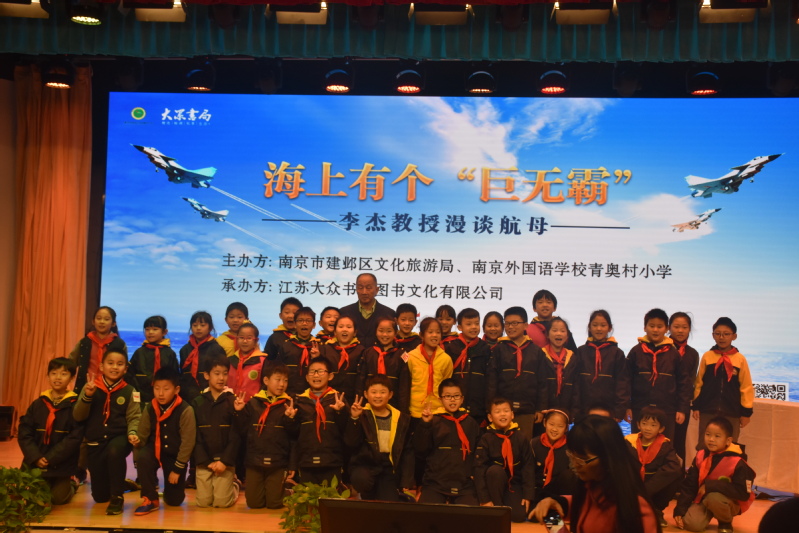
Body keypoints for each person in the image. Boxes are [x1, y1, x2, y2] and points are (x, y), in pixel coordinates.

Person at [531, 415, 660, 533]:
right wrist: (552, 513)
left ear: (608, 458)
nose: (575, 464)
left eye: (582, 459)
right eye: (572, 456)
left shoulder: (635, 510)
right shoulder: (590, 490)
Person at [73, 350, 141, 515]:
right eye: (110, 363)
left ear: (125, 369)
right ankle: (121, 484)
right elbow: (78, 416)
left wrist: (132, 432)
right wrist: (87, 396)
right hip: (95, 440)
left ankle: (117, 497)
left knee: (115, 451)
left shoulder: (131, 391)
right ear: (102, 366)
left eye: (120, 364)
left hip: (119, 437)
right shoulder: (91, 387)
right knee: (100, 497)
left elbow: (135, 417)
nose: (115, 367)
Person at [18, 357, 84, 505]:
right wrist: (35, 457)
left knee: (58, 499)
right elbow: (24, 432)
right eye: (54, 373)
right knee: (34, 497)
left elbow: (75, 437)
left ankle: (72, 483)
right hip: (36, 461)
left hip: (62, 464)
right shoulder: (37, 404)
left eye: (63, 374)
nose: (58, 377)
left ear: (72, 378)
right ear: (47, 376)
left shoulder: (75, 405)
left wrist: (50, 458)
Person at [674, 417, 755, 533]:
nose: (711, 439)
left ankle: (725, 521)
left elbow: (743, 493)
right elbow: (689, 485)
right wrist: (680, 510)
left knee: (714, 498)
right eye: (708, 434)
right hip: (704, 499)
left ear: (728, 440)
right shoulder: (700, 455)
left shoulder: (738, 462)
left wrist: (710, 486)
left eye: (717, 436)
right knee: (691, 525)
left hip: (727, 502)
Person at [234, 362, 298, 509]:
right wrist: (239, 412)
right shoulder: (253, 403)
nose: (282, 384)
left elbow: (294, 437)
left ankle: (287, 490)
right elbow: (242, 431)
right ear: (266, 380)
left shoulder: (290, 404)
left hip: (278, 461)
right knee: (254, 503)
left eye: (285, 380)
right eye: (278, 379)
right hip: (254, 460)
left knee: (274, 504)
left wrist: (290, 419)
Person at [132, 367, 196, 515]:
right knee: (143, 457)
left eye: (166, 389)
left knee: (174, 501)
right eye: (157, 388)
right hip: (154, 450)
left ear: (176, 389)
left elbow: (188, 443)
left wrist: (178, 469)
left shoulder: (185, 410)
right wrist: (137, 440)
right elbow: (142, 435)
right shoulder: (150, 407)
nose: (160, 393)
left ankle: (169, 491)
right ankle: (150, 498)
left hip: (174, 455)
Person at [344, 375, 414, 501]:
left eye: (382, 392)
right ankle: (363, 495)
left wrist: (406, 481)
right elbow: (351, 443)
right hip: (365, 464)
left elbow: (407, 451)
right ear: (366, 394)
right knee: (362, 481)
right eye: (374, 392)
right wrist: (354, 418)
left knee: (389, 503)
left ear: (390, 395)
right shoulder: (361, 414)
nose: (378, 396)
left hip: (388, 467)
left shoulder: (401, 419)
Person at [627, 308, 692, 440]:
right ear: (645, 328)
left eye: (659, 326)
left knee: (664, 446)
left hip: (667, 410)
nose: (655, 330)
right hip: (640, 409)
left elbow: (683, 383)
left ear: (666, 328)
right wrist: (627, 407)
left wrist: (681, 409)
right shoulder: (635, 352)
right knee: (637, 444)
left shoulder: (674, 354)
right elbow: (626, 381)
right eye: (652, 326)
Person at [414, 378, 480, 505]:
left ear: (462, 399)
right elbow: (420, 450)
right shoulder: (433, 420)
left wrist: (472, 474)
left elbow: (477, 452)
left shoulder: (471, 423)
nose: (452, 399)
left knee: (471, 515)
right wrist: (425, 424)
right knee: (425, 512)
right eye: (447, 396)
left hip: (464, 485)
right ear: (440, 399)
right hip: (436, 483)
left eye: (456, 396)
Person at [691, 317, 753, 444]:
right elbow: (699, 383)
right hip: (708, 410)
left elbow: (746, 387)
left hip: (732, 411)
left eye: (726, 334)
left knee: (730, 445)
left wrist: (746, 413)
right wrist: (696, 406)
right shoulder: (707, 357)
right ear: (713, 335)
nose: (721, 337)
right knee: (705, 444)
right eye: (718, 334)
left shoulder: (740, 359)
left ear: (734, 336)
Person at [487, 306, 545, 441]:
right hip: (502, 410)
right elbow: (492, 381)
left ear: (525, 325)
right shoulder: (499, 349)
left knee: (524, 445)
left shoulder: (536, 351)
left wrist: (540, 409)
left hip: (527, 410)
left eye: (515, 323)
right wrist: (490, 407)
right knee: (500, 444)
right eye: (507, 323)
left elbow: (543, 383)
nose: (510, 327)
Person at [474, 398, 534, 523]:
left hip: (514, 483)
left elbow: (528, 467)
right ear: (490, 417)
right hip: (493, 484)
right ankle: (497, 508)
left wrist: (527, 495)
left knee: (519, 516)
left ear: (512, 414)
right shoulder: (486, 438)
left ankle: (505, 504)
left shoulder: (521, 437)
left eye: (506, 411)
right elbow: (479, 469)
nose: (502, 414)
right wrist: (484, 499)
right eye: (498, 412)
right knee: (494, 471)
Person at [192, 357, 241, 508]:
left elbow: (237, 435)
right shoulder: (197, 402)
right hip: (204, 461)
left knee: (221, 502)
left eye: (225, 373)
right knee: (203, 502)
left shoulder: (233, 401)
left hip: (225, 462)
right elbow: (195, 436)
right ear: (207, 375)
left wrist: (224, 461)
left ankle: (234, 484)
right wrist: (206, 462)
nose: (221, 378)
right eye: (217, 373)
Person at [293, 357, 349, 485]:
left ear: (330, 376)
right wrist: (290, 419)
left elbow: (347, 430)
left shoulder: (338, 399)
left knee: (331, 496)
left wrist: (340, 412)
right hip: (306, 460)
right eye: (312, 371)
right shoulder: (299, 401)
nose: (316, 375)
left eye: (321, 371)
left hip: (332, 460)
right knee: (307, 496)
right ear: (307, 377)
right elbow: (293, 434)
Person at [625, 407, 683, 528]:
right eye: (644, 423)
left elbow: (673, 467)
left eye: (653, 425)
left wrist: (647, 489)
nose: (648, 428)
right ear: (638, 424)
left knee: (674, 477)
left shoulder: (665, 445)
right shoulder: (629, 442)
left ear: (661, 429)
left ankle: (656, 511)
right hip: (633, 484)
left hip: (653, 487)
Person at [573, 310, 629, 422]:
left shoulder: (617, 353)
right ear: (589, 327)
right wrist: (575, 411)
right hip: (584, 410)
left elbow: (622, 385)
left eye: (603, 325)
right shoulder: (581, 351)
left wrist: (619, 412)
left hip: (609, 410)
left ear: (609, 328)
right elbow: (575, 383)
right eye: (595, 325)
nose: (599, 329)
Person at [443, 307, 492, 424]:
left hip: (478, 407)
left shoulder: (485, 348)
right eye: (469, 324)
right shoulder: (451, 347)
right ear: (460, 327)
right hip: (454, 405)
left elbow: (489, 380)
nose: (474, 327)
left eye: (476, 323)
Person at [70, 306, 128, 394]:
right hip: (86, 386)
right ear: (93, 321)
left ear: (113, 323)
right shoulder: (85, 342)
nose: (102, 322)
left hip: (111, 389)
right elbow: (71, 362)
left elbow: (123, 368)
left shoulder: (119, 344)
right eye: (99, 318)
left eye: (106, 319)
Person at [359, 316, 410, 412]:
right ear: (375, 332)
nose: (385, 334)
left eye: (389, 331)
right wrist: (360, 405)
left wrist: (403, 411)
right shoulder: (368, 353)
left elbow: (404, 385)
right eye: (381, 331)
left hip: (394, 405)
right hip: (369, 404)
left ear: (395, 333)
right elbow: (361, 380)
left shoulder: (402, 354)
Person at [406, 317, 453, 420]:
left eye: (438, 332)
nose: (434, 335)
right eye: (430, 332)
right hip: (414, 410)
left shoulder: (446, 359)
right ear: (421, 335)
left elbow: (447, 386)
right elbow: (405, 384)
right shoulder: (411, 357)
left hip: (438, 411)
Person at [126, 315, 179, 405]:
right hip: (141, 396)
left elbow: (175, 376)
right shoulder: (139, 352)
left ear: (164, 332)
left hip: (164, 397)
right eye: (147, 329)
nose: (150, 332)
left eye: (155, 329)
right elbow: (129, 375)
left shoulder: (170, 353)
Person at [669, 311, 700, 460]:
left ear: (689, 329)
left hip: (682, 406)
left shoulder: (692, 354)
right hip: (663, 404)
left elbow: (691, 381)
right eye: (676, 327)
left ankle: (678, 473)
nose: (680, 331)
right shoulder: (662, 349)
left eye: (684, 327)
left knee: (679, 443)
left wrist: (684, 406)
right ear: (669, 328)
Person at [531, 409, 578, 506]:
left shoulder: (570, 446)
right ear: (545, 423)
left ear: (566, 428)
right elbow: (527, 470)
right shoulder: (534, 443)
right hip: (536, 488)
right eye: (551, 424)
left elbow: (574, 473)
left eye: (560, 426)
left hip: (558, 491)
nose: (555, 429)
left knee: (569, 475)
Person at [179, 311, 227, 403]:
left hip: (209, 395)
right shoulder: (184, 350)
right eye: (195, 325)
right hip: (186, 396)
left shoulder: (216, 349)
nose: (198, 328)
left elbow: (221, 374)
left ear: (210, 328)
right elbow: (182, 375)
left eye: (202, 325)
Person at [273, 306, 320, 396]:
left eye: (308, 321)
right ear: (295, 324)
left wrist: (317, 358)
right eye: (300, 320)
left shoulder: (319, 346)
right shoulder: (286, 345)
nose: (304, 323)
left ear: (314, 325)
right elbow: (278, 370)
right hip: (288, 393)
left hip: (312, 394)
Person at [339, 273, 395, 348]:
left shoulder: (388, 313)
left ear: (377, 290)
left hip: (379, 355)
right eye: (360, 287)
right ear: (356, 289)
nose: (364, 292)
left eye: (368, 288)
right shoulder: (344, 312)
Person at [323, 315, 366, 404]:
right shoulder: (325, 349)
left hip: (353, 399)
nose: (344, 329)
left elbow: (362, 379)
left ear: (355, 332)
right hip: (329, 398)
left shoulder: (362, 350)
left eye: (349, 327)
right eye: (341, 326)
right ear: (335, 332)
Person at [540, 318, 578, 416]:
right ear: (547, 334)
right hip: (545, 407)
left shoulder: (572, 357)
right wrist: (540, 409)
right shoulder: (540, 354)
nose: (558, 334)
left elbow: (576, 387)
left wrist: (574, 412)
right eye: (554, 330)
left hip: (567, 407)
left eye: (562, 331)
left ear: (567, 335)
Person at [228, 322, 267, 401]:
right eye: (241, 337)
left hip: (253, 404)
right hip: (230, 402)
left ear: (256, 340)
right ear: (237, 338)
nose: (245, 341)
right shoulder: (230, 360)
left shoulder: (263, 361)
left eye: (249, 338)